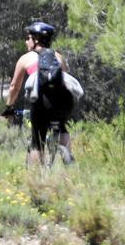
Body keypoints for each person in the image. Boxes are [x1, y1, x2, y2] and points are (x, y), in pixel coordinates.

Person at [5, 21, 75, 166]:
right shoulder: (58, 57)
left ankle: (36, 178)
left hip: (42, 102)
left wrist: (9, 107)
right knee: (61, 127)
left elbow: (14, 87)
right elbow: (65, 78)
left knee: (38, 140)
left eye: (28, 37)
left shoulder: (26, 58)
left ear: (36, 40)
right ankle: (69, 161)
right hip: (64, 101)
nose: (26, 41)